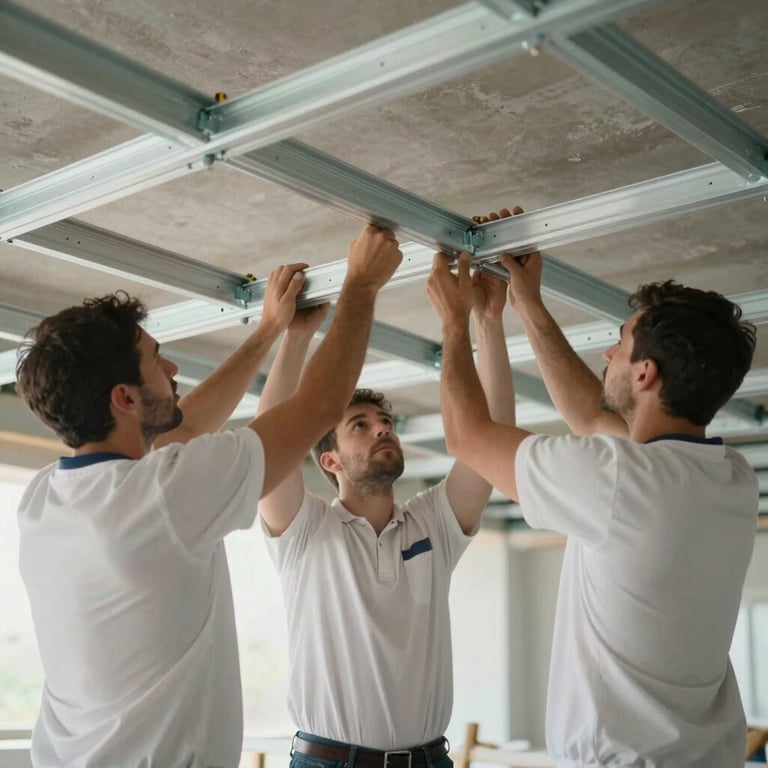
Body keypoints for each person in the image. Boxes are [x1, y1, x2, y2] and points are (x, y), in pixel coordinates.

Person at [14, 224, 402, 768]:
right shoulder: (160, 496)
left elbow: (184, 427)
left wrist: (271, 330)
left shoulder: (46, 497)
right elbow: (319, 406)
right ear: (124, 397)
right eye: (156, 360)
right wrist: (361, 285)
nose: (173, 369)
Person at [427, 215, 759, 768]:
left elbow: (467, 435)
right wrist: (526, 304)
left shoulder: (620, 479)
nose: (607, 354)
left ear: (646, 374)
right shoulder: (729, 479)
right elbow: (589, 415)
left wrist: (454, 321)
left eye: (620, 345)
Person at [256, 212, 518, 768]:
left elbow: (492, 435)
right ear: (329, 460)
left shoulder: (433, 525)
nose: (382, 429)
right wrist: (294, 337)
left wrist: (489, 321)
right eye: (361, 425)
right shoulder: (305, 530)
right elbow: (270, 436)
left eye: (386, 422)